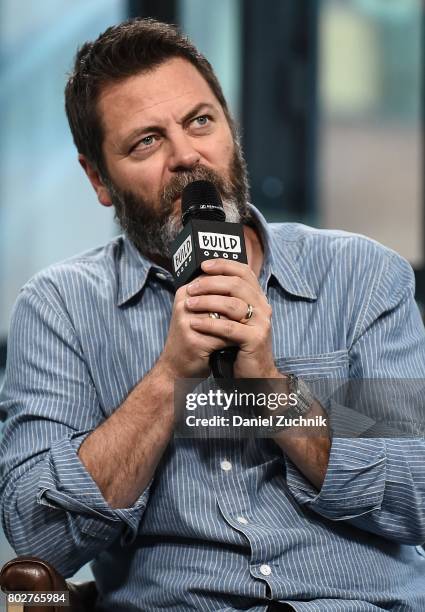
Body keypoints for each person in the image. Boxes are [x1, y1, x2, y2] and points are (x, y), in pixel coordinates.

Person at [1, 17, 424, 612]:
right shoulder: (61, 310)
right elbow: (38, 538)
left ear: (232, 128)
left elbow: (417, 496)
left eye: (201, 121)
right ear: (99, 178)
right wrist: (168, 378)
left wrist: (271, 392)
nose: (186, 156)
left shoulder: (362, 277)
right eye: (145, 141)